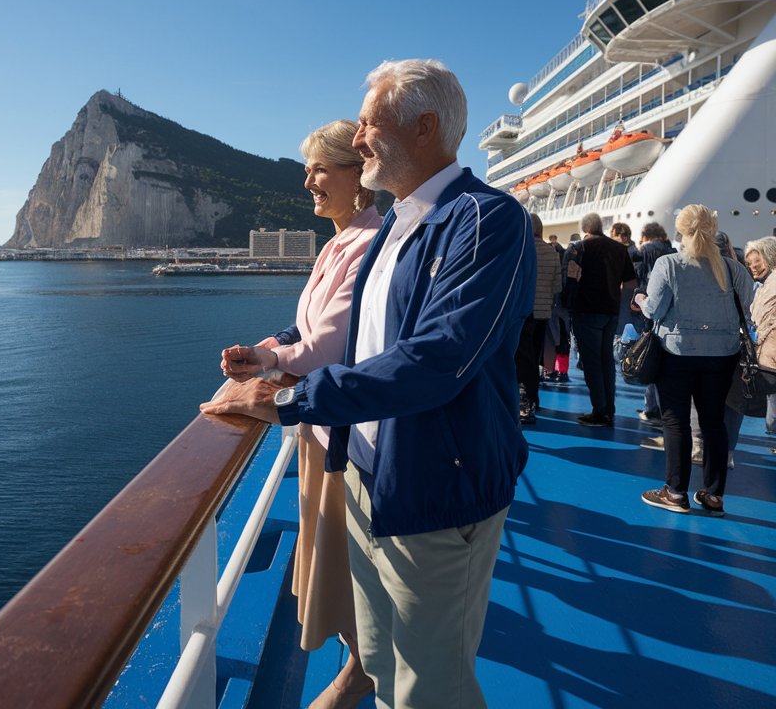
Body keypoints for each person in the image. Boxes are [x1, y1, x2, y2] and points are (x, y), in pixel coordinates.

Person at [203, 58, 534, 708]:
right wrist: (275, 361)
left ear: (425, 129)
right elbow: (362, 346)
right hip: (369, 473)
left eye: (367, 123)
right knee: (381, 656)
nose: (356, 139)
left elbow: (437, 359)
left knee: (427, 684)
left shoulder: (485, 221)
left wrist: (290, 398)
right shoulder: (399, 229)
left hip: (439, 487)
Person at [207, 119, 381, 709]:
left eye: (318, 169)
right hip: (324, 427)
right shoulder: (340, 240)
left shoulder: (367, 242)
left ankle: (362, 672)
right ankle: (364, 663)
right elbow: (306, 329)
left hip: (342, 429)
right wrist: (261, 354)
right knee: (339, 556)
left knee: (349, 560)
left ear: (359, 176)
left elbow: (326, 350)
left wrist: (269, 374)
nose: (307, 180)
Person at [636, 205, 754, 515]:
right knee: (714, 422)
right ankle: (714, 495)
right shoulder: (732, 268)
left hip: (676, 353)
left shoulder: (669, 264)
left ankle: (675, 493)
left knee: (675, 422)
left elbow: (654, 311)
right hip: (722, 355)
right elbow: (749, 308)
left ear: (680, 231)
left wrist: (639, 300)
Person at [566, 213, 636, 426]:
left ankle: (599, 410)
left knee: (592, 362)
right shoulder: (619, 249)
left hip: (586, 310)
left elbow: (570, 277)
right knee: (607, 362)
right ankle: (609, 409)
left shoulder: (580, 248)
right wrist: (617, 298)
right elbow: (631, 282)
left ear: (585, 228)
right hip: (611, 311)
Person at [518, 213, 562, 424]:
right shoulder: (552, 251)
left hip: (523, 311)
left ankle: (523, 401)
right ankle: (534, 398)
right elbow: (557, 286)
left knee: (521, 359)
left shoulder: (521, 248)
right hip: (543, 311)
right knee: (535, 357)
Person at [633, 222, 676, 432]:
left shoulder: (644, 252)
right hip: (671, 313)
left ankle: (651, 408)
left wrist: (639, 299)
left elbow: (639, 277)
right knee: (667, 363)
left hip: (649, 307)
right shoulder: (673, 251)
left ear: (644, 234)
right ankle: (663, 408)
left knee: (649, 357)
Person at [744, 236, 776, 441]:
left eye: (758, 261)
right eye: (750, 263)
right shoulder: (764, 284)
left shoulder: (771, 285)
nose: (753, 267)